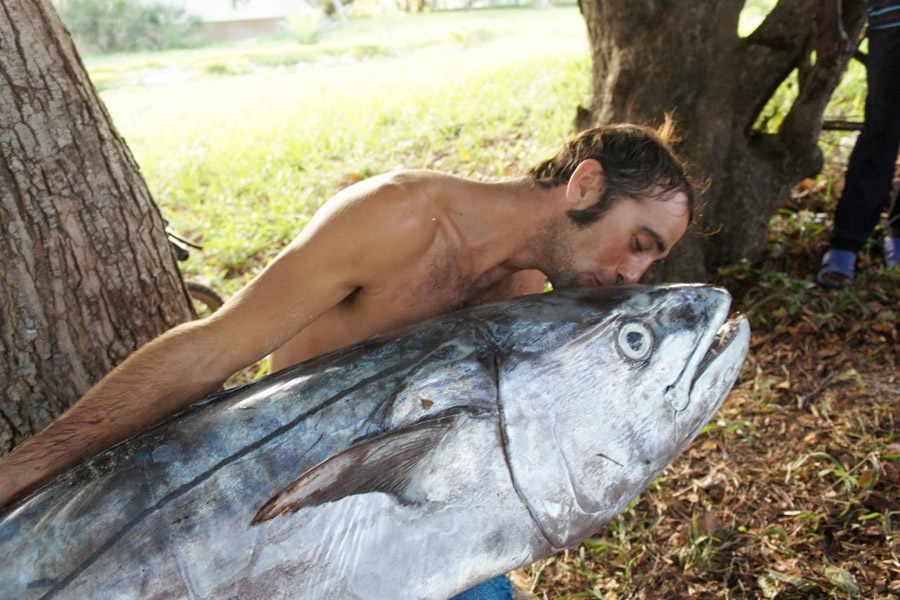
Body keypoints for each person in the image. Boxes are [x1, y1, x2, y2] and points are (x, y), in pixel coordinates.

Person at [0, 122, 695, 599]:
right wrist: (22, 471)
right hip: (248, 523)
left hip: (389, 541)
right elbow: (209, 351)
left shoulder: (525, 294)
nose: (633, 275)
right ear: (584, 186)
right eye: (639, 242)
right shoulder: (396, 218)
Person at [817, 0, 900, 289]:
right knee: (881, 132)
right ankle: (847, 242)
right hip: (892, 25)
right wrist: (829, 23)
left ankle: (896, 231)